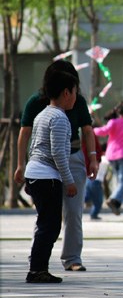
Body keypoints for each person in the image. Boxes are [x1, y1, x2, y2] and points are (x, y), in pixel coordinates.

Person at [14, 60, 98, 272]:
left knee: (70, 212)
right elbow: (30, 137)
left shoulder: (74, 103)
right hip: (47, 165)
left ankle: (70, 258)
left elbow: (87, 130)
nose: (75, 92)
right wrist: (20, 164)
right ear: (64, 90)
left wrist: (92, 157)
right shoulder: (43, 106)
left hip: (71, 157)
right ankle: (37, 261)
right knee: (48, 217)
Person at [24, 69, 79, 283]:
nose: (76, 96)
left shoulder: (42, 114)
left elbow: (34, 146)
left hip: (36, 173)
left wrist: (29, 174)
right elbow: (58, 153)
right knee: (50, 225)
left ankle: (38, 268)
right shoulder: (59, 118)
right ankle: (37, 270)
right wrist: (69, 181)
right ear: (66, 92)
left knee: (46, 223)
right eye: (75, 91)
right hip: (47, 177)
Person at [94, 103, 123, 220]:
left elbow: (103, 131)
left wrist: (91, 130)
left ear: (119, 113)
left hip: (111, 156)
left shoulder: (114, 122)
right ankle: (114, 199)